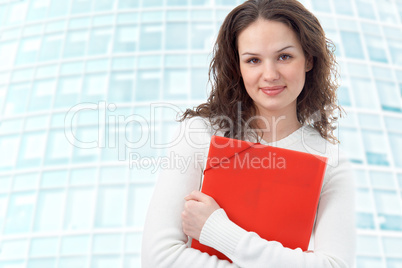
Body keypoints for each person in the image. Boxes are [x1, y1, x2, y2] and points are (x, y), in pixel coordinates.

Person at [141, 0, 355, 267]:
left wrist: (219, 231)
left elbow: (335, 265)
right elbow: (159, 258)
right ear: (237, 67)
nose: (270, 74)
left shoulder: (330, 161)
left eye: (284, 56)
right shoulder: (200, 135)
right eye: (253, 60)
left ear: (309, 59)